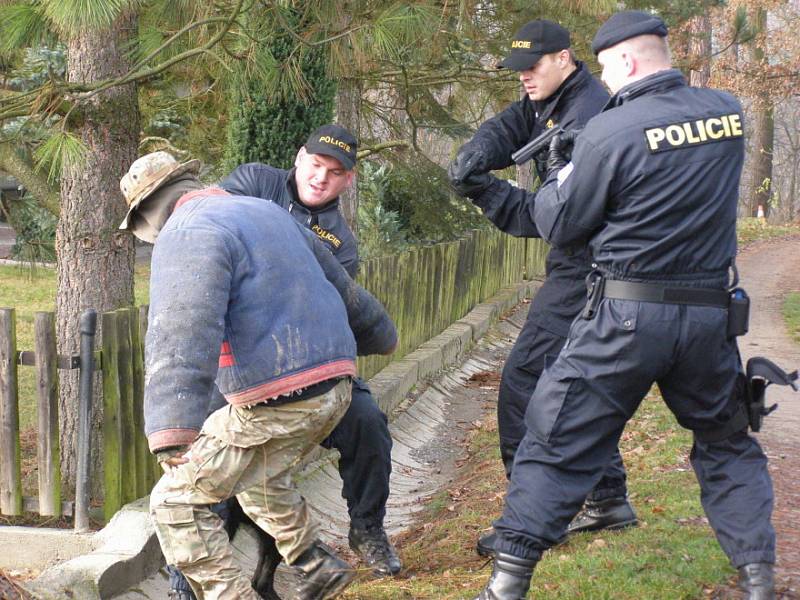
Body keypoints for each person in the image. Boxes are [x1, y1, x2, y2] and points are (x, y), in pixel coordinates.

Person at [474, 11, 777, 600]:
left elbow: (561, 223)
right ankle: (759, 575)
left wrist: (560, 171)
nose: (606, 82)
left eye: (609, 68)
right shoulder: (728, 113)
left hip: (626, 316)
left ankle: (507, 583)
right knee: (726, 441)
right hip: (710, 317)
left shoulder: (609, 133)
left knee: (555, 438)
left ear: (628, 62)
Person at [118, 150, 398, 600]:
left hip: (276, 399)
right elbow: (342, 289)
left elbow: (181, 329)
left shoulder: (187, 230)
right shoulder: (266, 211)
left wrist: (171, 430)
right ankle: (315, 563)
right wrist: (381, 335)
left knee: (173, 502)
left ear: (149, 215)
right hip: (335, 390)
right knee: (253, 474)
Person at [447, 19, 636, 557]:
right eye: (518, 70)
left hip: (590, 266)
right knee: (576, 382)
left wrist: (485, 194)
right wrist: (476, 157)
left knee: (526, 380)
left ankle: (529, 517)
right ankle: (606, 496)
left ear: (565, 58)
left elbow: (553, 219)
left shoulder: (587, 114)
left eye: (532, 67)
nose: (524, 78)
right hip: (586, 262)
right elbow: (508, 129)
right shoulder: (548, 98)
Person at [220, 125, 402, 573]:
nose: (321, 178)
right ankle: (189, 578)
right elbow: (209, 232)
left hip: (304, 361)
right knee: (209, 454)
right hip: (233, 357)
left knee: (369, 422)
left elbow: (329, 311)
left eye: (334, 172)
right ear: (300, 158)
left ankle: (367, 528)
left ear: (348, 181)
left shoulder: (341, 244)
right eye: (316, 165)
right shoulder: (252, 183)